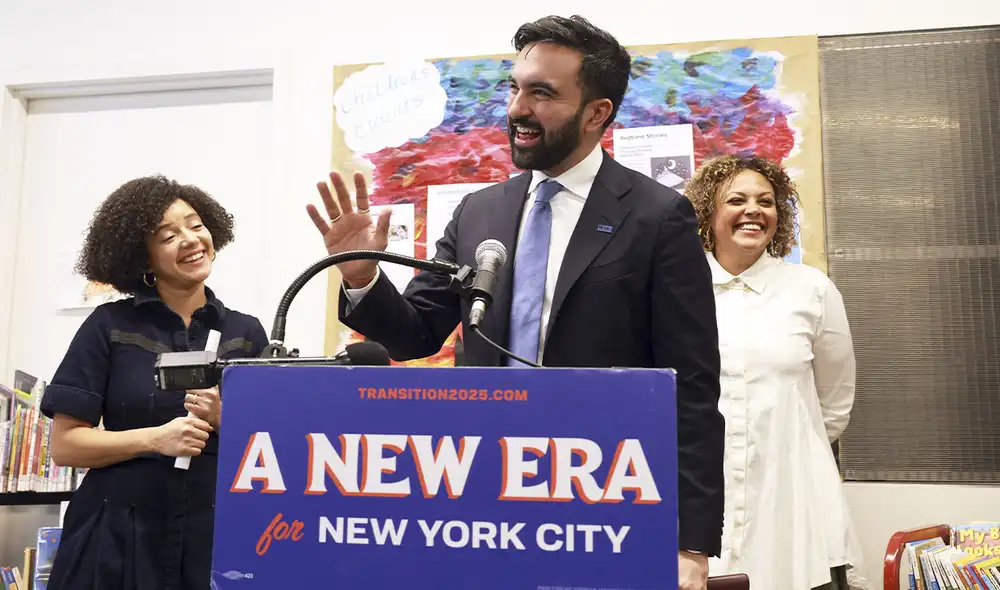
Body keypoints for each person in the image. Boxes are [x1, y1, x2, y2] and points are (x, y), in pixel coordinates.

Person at [306, 15, 724, 590]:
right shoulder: (480, 211)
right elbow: (414, 335)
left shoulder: (657, 217)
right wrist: (360, 277)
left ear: (597, 113)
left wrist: (690, 544)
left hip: (604, 499)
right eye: (514, 87)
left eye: (542, 93)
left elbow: (693, 389)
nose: (517, 109)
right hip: (481, 496)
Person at [40, 175, 270, 590]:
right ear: (142, 259)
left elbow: (270, 448)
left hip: (215, 535)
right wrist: (156, 439)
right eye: (168, 235)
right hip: (116, 538)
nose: (190, 239)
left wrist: (226, 419)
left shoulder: (245, 333)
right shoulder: (109, 326)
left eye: (196, 225)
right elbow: (66, 445)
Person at [684, 155, 862, 590]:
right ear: (709, 212)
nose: (754, 210)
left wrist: (786, 441)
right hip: (702, 489)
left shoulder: (812, 289)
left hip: (790, 492)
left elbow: (834, 405)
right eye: (737, 200)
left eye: (766, 202)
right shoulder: (678, 290)